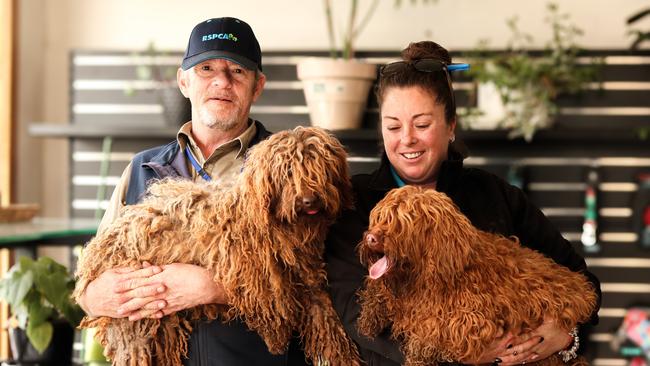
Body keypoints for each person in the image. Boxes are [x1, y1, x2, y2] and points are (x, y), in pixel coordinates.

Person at [325, 40, 602, 366]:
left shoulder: (495, 194)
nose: (407, 139)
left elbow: (583, 283)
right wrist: (459, 351)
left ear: (451, 127)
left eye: (423, 124)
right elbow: (353, 312)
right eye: (393, 126)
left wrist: (565, 335)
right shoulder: (353, 202)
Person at [75, 17, 309, 366]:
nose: (221, 82)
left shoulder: (290, 168)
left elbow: (315, 281)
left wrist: (215, 287)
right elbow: (90, 278)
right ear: (183, 81)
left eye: (237, 72)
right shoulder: (141, 169)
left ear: (257, 86)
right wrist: (96, 297)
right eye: (206, 68)